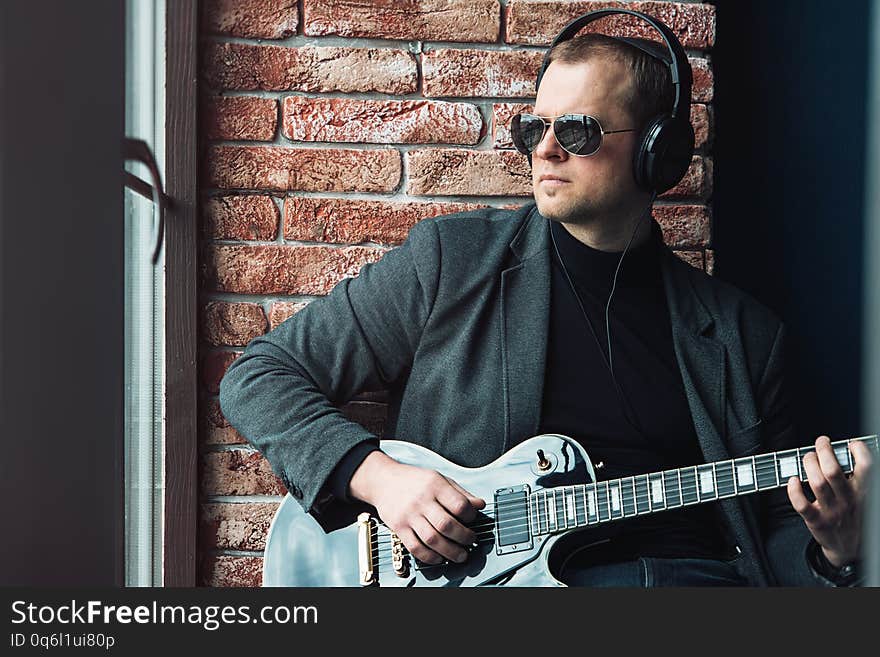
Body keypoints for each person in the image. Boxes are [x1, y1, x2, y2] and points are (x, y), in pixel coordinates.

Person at [218, 26, 872, 586]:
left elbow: (778, 535)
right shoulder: (455, 261)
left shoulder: (743, 336)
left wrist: (837, 551)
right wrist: (381, 477)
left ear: (657, 152)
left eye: (578, 130)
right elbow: (260, 376)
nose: (545, 148)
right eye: (535, 126)